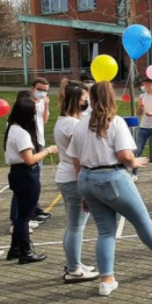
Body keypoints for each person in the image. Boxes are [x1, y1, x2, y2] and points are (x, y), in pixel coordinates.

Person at [67, 82, 152, 296]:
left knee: (105, 231)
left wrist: (82, 190)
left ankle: (106, 280)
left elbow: (75, 160)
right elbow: (124, 155)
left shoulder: (80, 125)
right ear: (110, 98)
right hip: (111, 177)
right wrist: (135, 163)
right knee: (140, 218)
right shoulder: (115, 122)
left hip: (87, 179)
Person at [5, 92, 59, 264]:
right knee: (24, 217)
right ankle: (26, 252)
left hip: (18, 173)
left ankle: (15, 249)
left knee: (22, 213)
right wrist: (48, 150)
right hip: (25, 174)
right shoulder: (20, 133)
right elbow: (29, 159)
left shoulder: (12, 127)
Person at [54, 79, 99, 283]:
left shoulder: (66, 121)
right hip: (73, 178)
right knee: (75, 226)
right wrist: (84, 184)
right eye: (84, 99)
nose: (87, 102)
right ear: (76, 101)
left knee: (73, 225)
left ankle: (75, 262)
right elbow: (78, 157)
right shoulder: (71, 125)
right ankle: (73, 269)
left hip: (68, 177)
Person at [29, 78, 52, 221]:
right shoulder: (26, 103)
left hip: (40, 142)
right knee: (31, 180)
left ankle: (35, 207)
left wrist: (47, 106)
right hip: (29, 143)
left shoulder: (43, 101)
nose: (42, 92)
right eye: (40, 89)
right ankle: (30, 211)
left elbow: (45, 120)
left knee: (37, 179)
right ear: (32, 88)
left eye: (45, 90)